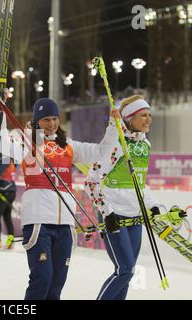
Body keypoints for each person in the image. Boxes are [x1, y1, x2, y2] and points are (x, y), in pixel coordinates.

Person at [3, 98, 119, 300]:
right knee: (42, 279)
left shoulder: (68, 146)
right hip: (39, 222)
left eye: (54, 118)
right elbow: (4, 147)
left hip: (64, 224)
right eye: (46, 119)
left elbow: (101, 152)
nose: (51, 124)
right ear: (37, 121)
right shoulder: (27, 144)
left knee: (57, 284)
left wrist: (113, 127)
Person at [84, 95, 165, 300]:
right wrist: (107, 213)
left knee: (127, 273)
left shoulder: (144, 145)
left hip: (135, 217)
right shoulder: (115, 144)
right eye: (142, 116)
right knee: (125, 270)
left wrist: (153, 205)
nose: (148, 120)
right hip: (115, 217)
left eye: (149, 115)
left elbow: (138, 184)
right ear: (129, 118)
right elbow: (91, 182)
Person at [0, 156, 17, 249]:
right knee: (7, 216)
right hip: (11, 190)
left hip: (4, 191)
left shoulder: (5, 159)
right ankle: (10, 241)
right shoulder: (11, 159)